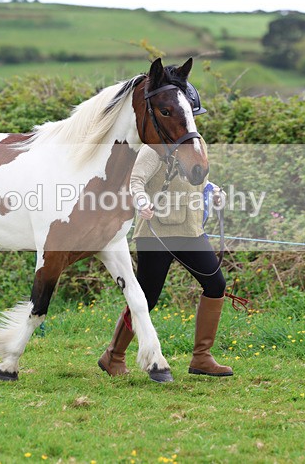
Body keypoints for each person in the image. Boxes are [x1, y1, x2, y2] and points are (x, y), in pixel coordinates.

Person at [98, 142, 233, 379]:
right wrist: (141, 202)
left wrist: (215, 192)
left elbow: (199, 180)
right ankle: (114, 355)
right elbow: (135, 181)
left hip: (191, 231)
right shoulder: (154, 148)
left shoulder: (198, 144)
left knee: (216, 285)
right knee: (147, 298)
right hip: (155, 233)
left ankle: (202, 356)